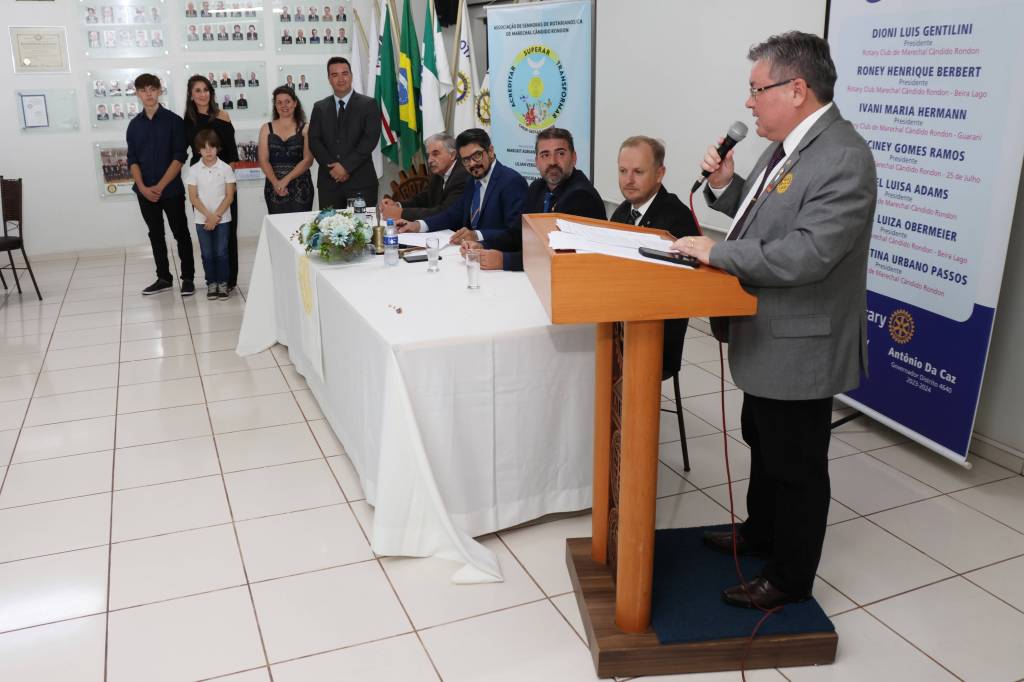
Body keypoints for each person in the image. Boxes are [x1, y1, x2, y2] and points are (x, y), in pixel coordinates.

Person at [672, 31, 876, 610]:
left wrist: (717, 253)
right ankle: (761, 532)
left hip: (801, 343)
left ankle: (789, 578)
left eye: (757, 89)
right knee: (762, 441)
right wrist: (722, 187)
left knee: (796, 465)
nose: (749, 102)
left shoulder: (843, 157)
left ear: (797, 89)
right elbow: (764, 217)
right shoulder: (783, 147)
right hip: (766, 334)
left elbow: (809, 252)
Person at [610, 135, 700, 380]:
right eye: (623, 171)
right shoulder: (621, 213)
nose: (628, 180)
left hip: (655, 335)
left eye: (638, 172)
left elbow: (682, 291)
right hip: (618, 322)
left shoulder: (677, 219)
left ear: (660, 174)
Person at [456, 128, 604, 271]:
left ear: (574, 157)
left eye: (560, 153)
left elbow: (559, 256)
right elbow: (517, 233)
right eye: (545, 155)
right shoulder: (537, 187)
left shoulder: (581, 196)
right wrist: (483, 245)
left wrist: (504, 260)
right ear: (536, 162)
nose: (552, 161)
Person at [126, 73, 194, 296]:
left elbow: (179, 157)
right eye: (143, 90)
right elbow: (132, 160)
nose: (148, 94)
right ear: (137, 93)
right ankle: (163, 278)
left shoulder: (174, 121)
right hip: (144, 192)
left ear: (159, 91)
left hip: (171, 190)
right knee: (155, 235)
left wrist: (161, 185)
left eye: (152, 89)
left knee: (181, 233)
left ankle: (188, 279)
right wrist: (143, 188)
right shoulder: (134, 125)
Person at [397, 128, 527, 243]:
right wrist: (418, 225)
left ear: (490, 151)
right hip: (468, 252)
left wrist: (476, 235)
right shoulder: (472, 180)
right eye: (466, 160)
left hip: (496, 255)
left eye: (477, 155)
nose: (472, 164)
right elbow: (452, 215)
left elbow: (516, 234)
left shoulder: (511, 181)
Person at [184, 74, 243, 292]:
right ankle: (212, 281)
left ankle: (229, 280)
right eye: (197, 90)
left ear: (211, 92)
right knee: (207, 235)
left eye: (206, 90)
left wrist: (229, 182)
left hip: (224, 180)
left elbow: (232, 154)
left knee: (227, 234)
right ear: (191, 95)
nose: (202, 94)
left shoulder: (223, 116)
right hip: (200, 183)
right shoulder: (187, 121)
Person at [308, 57, 381, 209]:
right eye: (335, 75)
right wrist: (334, 169)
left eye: (345, 73)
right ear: (329, 79)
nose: (341, 79)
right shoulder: (319, 107)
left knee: (362, 225)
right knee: (329, 224)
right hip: (329, 184)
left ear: (351, 76)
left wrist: (346, 167)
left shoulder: (368, 104)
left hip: (361, 183)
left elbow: (370, 140)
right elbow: (314, 141)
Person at [187, 129, 236, 300]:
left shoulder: (226, 168)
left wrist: (216, 216)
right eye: (204, 148)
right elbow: (193, 197)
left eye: (212, 147)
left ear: (218, 148)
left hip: (223, 219)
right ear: (198, 150)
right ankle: (211, 283)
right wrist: (209, 216)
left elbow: (229, 196)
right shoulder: (194, 170)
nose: (208, 151)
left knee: (221, 252)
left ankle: (223, 283)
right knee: (207, 254)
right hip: (202, 220)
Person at [380, 133, 468, 222]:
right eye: (428, 155)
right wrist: (397, 205)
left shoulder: (462, 176)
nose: (429, 160)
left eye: (435, 154)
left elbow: (445, 212)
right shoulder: (438, 173)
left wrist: (401, 213)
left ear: (452, 155)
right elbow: (424, 198)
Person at [259, 86, 314, 214]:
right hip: (274, 187)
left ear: (295, 103)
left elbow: (308, 160)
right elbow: (263, 160)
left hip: (301, 189)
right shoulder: (266, 128)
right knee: (277, 225)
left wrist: (285, 181)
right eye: (279, 102)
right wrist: (276, 183)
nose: (284, 105)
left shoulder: (306, 128)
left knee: (300, 225)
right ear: (275, 105)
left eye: (287, 101)